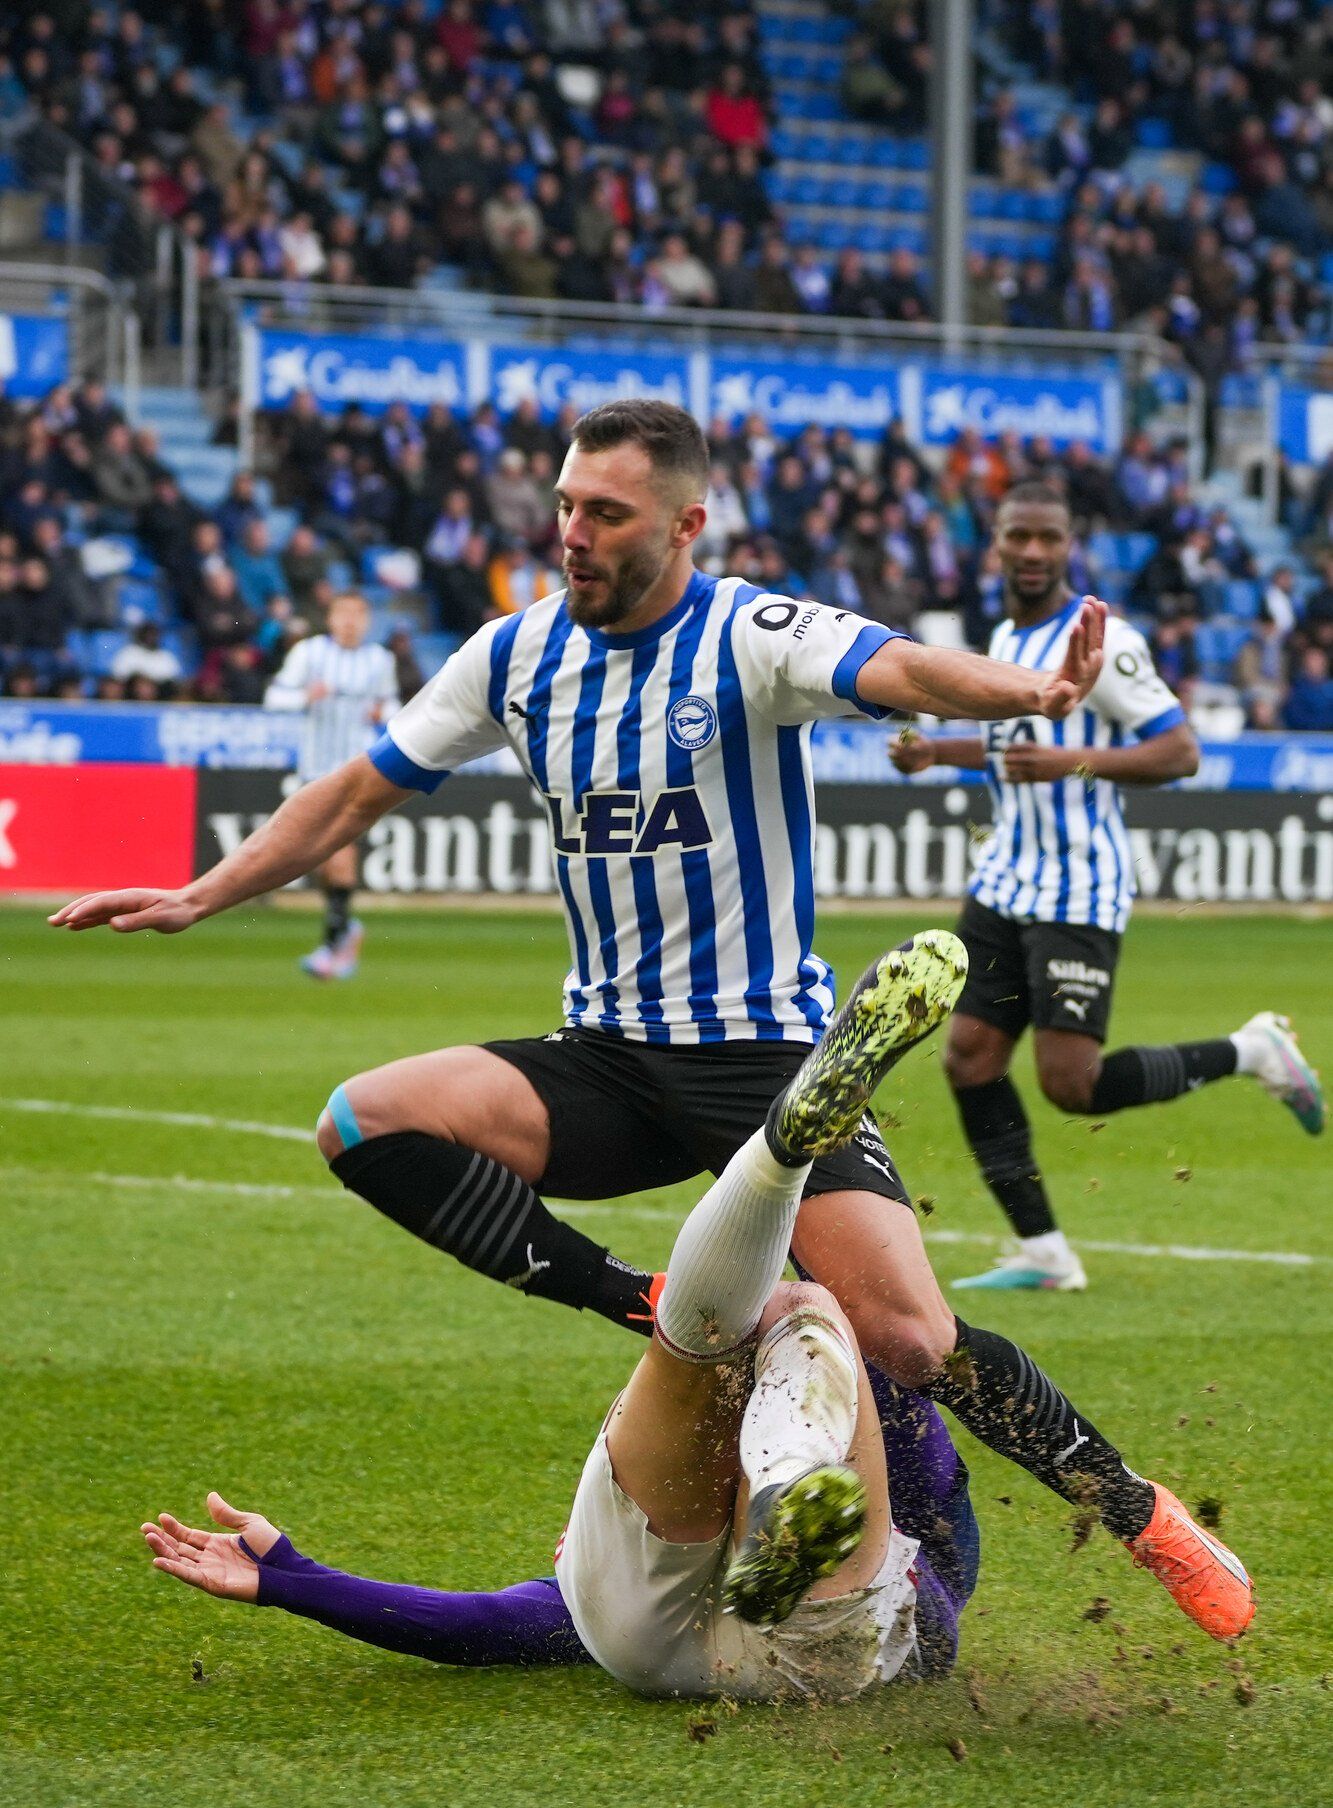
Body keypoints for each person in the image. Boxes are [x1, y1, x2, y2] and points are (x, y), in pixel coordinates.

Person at [53, 401, 1251, 1645]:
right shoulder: (512, 655)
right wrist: (204, 890)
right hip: (607, 1060)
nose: (572, 533)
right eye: (566, 505)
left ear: (683, 524)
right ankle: (648, 1302)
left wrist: (1034, 689)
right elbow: (360, 786)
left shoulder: (750, 631)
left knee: (905, 1332)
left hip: (767, 1060)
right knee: (364, 1121)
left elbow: (897, 667)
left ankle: (1144, 1513)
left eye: (605, 513)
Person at [140, 937, 1252, 1694]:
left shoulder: (606, 1589)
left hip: (646, 1648)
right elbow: (917, 1450)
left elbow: (496, 1625)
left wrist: (300, 1580)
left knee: (737, 1338)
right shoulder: (914, 1490)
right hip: (846, 1633)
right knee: (818, 1320)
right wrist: (299, 1581)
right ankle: (778, 1247)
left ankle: (776, 1177)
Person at [891, 481, 1324, 1294]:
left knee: (1070, 1084)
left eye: (1045, 538)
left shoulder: (1105, 641)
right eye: (1016, 535)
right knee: (969, 1059)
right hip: (1004, 878)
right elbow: (1011, 747)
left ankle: (1251, 1051)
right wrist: (935, 754)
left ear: (1068, 545)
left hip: (1077, 886)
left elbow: (1179, 752)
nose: (1029, 551)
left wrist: (1070, 761)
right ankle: (1043, 1252)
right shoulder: (1002, 637)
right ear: (995, 542)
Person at [261, 589, 400, 980]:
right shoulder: (309, 653)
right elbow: (274, 698)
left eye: (357, 614)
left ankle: (334, 946)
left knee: (339, 851)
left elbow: (393, 706)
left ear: (367, 620)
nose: (350, 621)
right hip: (313, 770)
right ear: (331, 618)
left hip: (357, 770)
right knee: (321, 856)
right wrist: (306, 696)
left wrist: (382, 712)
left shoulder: (379, 660)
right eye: (343, 614)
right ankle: (345, 930)